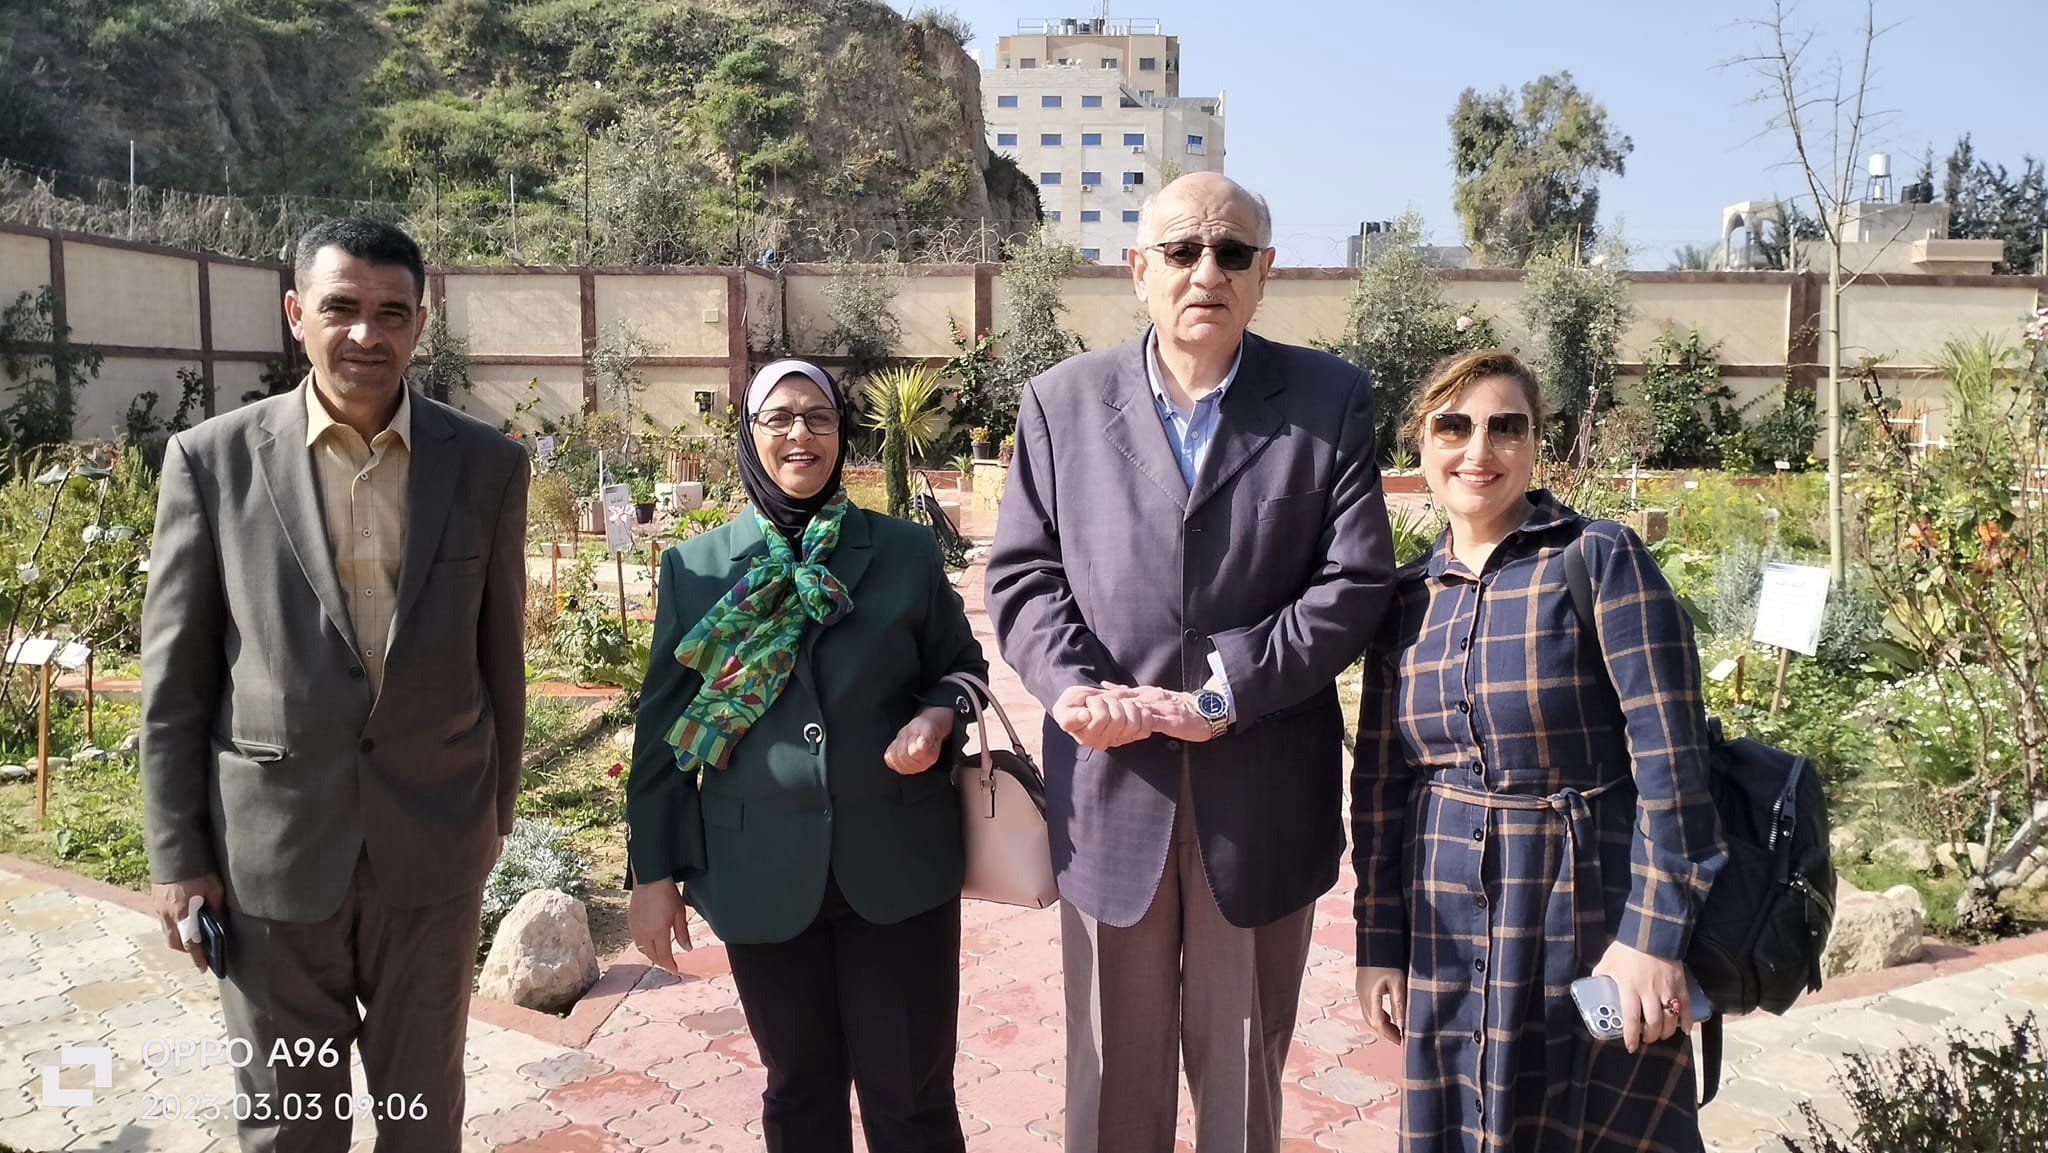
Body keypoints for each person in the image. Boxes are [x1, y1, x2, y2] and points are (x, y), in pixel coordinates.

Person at [985, 172, 1396, 1153]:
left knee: (1239, 1088)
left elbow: (1352, 582)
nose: (1205, 270)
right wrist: (1073, 686)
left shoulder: (1327, 401)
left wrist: (1225, 693)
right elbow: (1023, 576)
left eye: (1230, 251)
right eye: (1181, 250)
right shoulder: (1059, 404)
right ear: (1139, 269)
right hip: (1107, 791)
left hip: (1258, 800)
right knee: (1109, 1088)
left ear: (1264, 272)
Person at [141, 218, 529, 1152]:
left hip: (431, 856)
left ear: (421, 323)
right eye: (341, 306)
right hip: (271, 860)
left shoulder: (486, 466)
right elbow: (176, 684)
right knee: (291, 1125)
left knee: (422, 1117)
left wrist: (494, 814)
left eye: (392, 312)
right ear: (295, 314)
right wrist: (177, 856)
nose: (367, 332)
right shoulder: (212, 461)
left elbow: (501, 661)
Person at [1350, 349, 1728, 1152]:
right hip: (1446, 925)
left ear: (1535, 443)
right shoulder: (1404, 600)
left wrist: (1654, 937)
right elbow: (1380, 790)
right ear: (1421, 443)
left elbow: (1673, 762)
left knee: (1592, 1124)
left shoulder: (1597, 559)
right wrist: (1378, 945)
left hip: (1587, 915)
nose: (1478, 449)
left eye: (1505, 427)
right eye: (1454, 426)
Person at [626, 359, 987, 1153]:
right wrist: (652, 874)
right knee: (798, 1090)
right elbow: (663, 733)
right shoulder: (698, 568)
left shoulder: (902, 552)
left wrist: (936, 718)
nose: (801, 434)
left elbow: (964, 670)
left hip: (897, 864)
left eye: (818, 416)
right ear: (749, 436)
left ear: (841, 432)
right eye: (780, 418)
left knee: (913, 1096)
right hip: (759, 870)